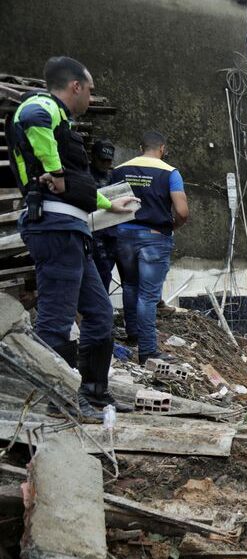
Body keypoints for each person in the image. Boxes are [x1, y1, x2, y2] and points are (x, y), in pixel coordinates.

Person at [9, 57, 140, 419]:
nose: (91, 96)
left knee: (99, 314)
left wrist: (111, 205)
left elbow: (78, 189)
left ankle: (94, 393)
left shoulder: (61, 122)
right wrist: (53, 169)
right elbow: (32, 119)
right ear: (76, 87)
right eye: (90, 89)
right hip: (54, 229)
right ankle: (58, 401)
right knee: (55, 320)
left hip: (72, 232)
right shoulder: (42, 106)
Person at [111, 131, 189, 364]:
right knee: (148, 295)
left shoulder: (119, 170)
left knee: (130, 286)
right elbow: (183, 212)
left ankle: (133, 334)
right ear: (162, 148)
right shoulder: (170, 172)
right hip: (154, 238)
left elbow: (109, 204)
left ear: (140, 147)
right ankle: (147, 350)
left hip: (123, 235)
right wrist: (172, 226)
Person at [89, 138, 119, 291]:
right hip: (91, 232)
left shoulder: (113, 175)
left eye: (108, 161)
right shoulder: (85, 174)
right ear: (93, 157)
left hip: (110, 232)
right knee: (98, 273)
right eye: (102, 160)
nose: (105, 164)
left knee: (106, 272)